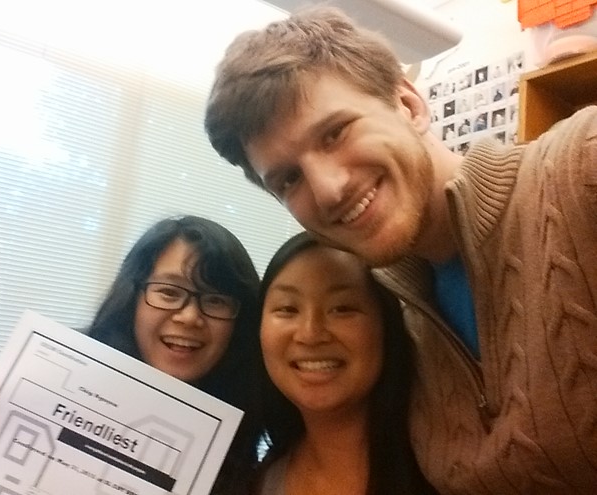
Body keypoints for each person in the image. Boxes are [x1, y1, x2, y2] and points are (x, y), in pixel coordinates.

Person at [204, 6, 597, 494]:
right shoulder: (399, 310)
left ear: (409, 104)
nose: (327, 189)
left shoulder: (578, 170)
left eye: (335, 132)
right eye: (289, 178)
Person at [0, 215, 263, 494]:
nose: (190, 317)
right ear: (132, 297)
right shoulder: (37, 386)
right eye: (168, 291)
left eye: (216, 300)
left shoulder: (246, 456)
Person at [254, 232, 435, 494]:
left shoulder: (448, 467)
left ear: (387, 326)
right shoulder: (260, 482)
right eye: (288, 309)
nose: (310, 334)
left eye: (342, 308)